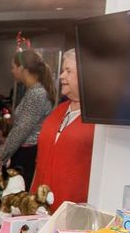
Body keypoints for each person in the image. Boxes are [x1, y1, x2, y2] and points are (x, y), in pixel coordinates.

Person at [31, 49, 95, 211]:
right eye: (62, 71)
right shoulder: (59, 110)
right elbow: (40, 161)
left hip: (74, 210)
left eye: (68, 71)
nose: (61, 76)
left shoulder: (99, 120)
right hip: (40, 205)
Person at [0, 49, 55, 188]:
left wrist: (2, 155)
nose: (12, 71)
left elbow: (21, 130)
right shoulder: (33, 91)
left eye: (13, 67)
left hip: (28, 155)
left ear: (22, 68)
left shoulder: (37, 93)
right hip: (25, 152)